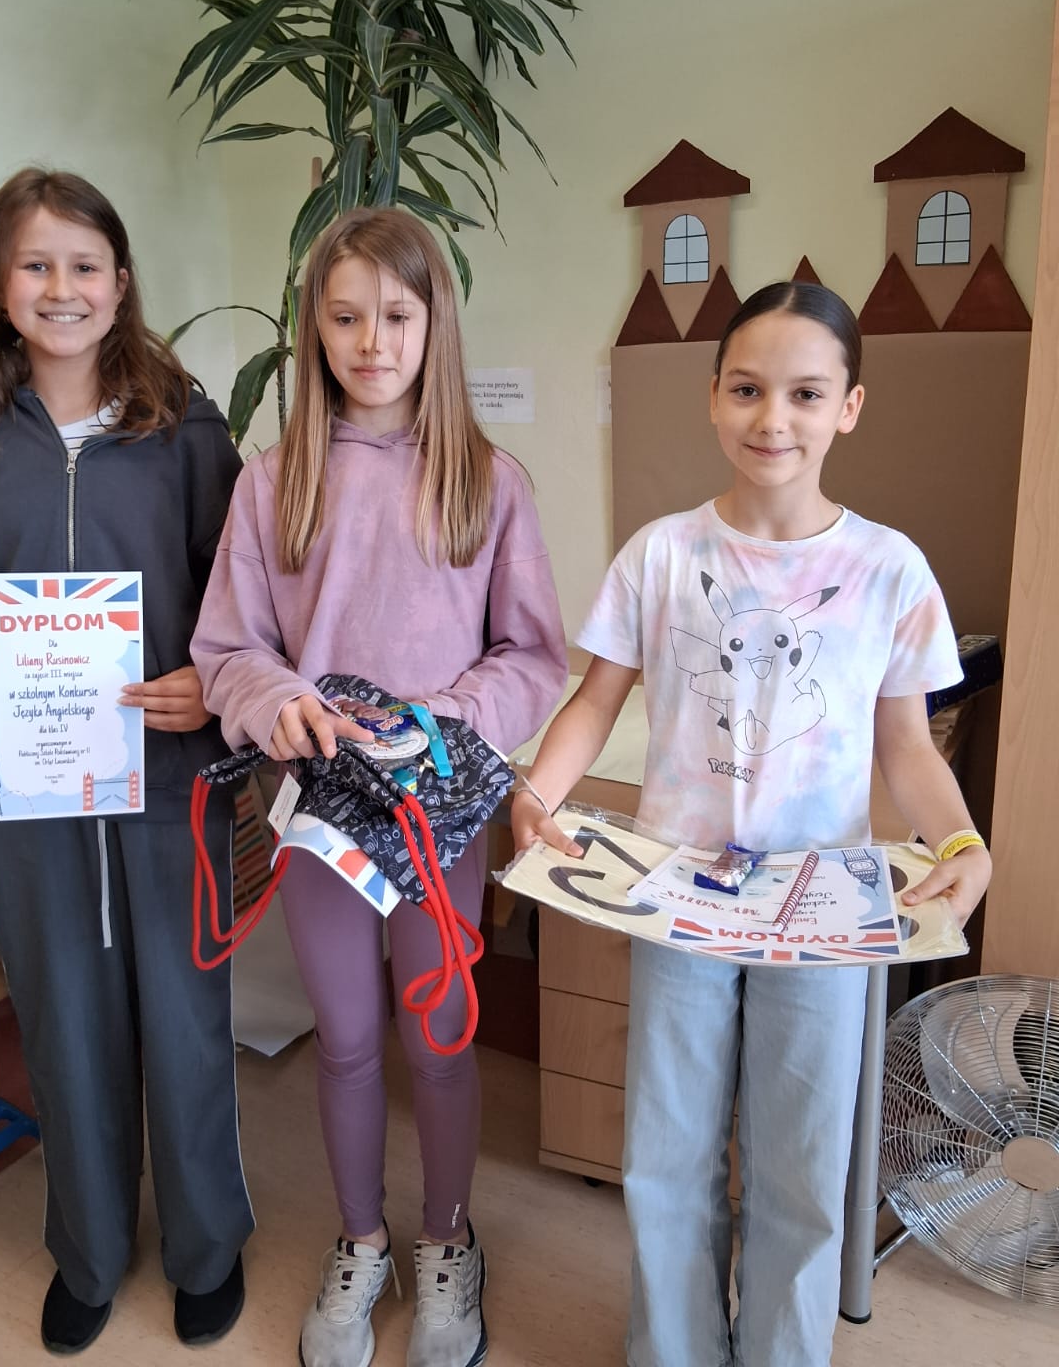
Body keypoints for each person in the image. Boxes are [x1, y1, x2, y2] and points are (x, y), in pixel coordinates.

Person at [511, 282, 992, 1367]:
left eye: (807, 393)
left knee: (802, 1166)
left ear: (849, 407)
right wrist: (540, 791)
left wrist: (963, 844)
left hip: (824, 912)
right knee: (666, 1156)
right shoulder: (660, 555)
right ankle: (673, 1350)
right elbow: (596, 700)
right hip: (679, 901)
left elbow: (907, 744)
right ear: (713, 397)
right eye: (748, 389)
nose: (774, 418)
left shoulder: (889, 568)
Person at [191, 207, 567, 1367]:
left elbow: (532, 656)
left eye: (396, 316)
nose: (371, 341)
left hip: (439, 813)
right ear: (314, 325)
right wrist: (275, 701)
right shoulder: (275, 482)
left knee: (440, 1035)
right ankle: (361, 1238)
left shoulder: (488, 481)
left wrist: (446, 716)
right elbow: (228, 649)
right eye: (346, 316)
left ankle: (447, 1238)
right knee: (348, 1038)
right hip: (320, 819)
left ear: (434, 322)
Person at [0, 168, 254, 1355]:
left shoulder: (187, 428)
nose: (63, 287)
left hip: (171, 779)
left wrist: (211, 678)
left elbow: (242, 596)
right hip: (32, 795)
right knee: (61, 1021)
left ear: (121, 279)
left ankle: (207, 1248)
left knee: (187, 1021)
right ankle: (89, 1253)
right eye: (36, 264)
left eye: (85, 264)